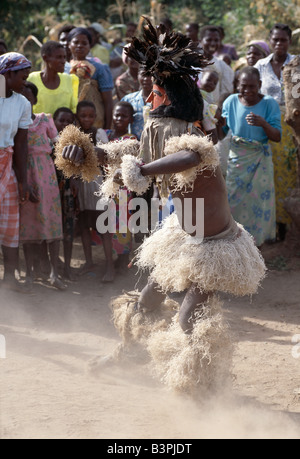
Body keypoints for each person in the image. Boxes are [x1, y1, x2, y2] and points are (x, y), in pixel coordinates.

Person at [60, 19, 266, 392]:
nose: (149, 98)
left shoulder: (191, 136)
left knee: (188, 321)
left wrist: (140, 170)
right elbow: (125, 153)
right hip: (182, 236)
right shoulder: (159, 131)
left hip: (215, 246)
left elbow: (188, 157)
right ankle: (129, 355)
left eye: (154, 92)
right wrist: (85, 150)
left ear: (167, 97)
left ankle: (203, 388)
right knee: (145, 302)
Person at [217, 67, 281, 247]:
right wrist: (218, 125)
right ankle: (234, 242)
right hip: (237, 158)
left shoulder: (269, 103)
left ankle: (256, 244)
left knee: (259, 201)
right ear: (237, 85)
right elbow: (221, 135)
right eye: (243, 86)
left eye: (252, 86)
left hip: (260, 158)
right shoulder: (230, 101)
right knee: (232, 199)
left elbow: (276, 136)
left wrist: (263, 123)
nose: (248, 91)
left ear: (260, 85)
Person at [19, 81, 66, 290]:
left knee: (52, 221)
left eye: (28, 98)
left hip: (47, 177)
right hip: (24, 177)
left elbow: (60, 146)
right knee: (28, 225)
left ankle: (54, 273)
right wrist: (24, 182)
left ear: (34, 100)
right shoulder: (13, 124)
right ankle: (29, 272)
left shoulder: (45, 119)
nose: (24, 101)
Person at [255, 23, 297, 241]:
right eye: (276, 39)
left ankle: (288, 224)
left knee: (290, 172)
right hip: (268, 124)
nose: (279, 43)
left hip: (293, 125)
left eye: (284, 40)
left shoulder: (297, 63)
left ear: (289, 42)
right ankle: (271, 225)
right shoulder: (261, 66)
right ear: (270, 41)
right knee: (268, 174)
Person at [0, 52, 32, 292]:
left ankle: (10, 278)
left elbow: (21, 144)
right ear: (7, 74)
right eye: (22, 75)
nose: (25, 80)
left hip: (6, 165)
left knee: (10, 223)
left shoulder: (22, 103)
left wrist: (23, 180)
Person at [75, 100, 115, 282]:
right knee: (85, 226)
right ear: (78, 116)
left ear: (95, 117)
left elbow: (105, 156)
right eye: (83, 116)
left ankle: (109, 266)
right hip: (81, 188)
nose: (87, 119)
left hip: (98, 186)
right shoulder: (72, 135)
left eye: (91, 116)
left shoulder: (98, 133)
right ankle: (89, 262)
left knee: (104, 228)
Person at [67, 27, 113, 129]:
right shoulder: (64, 68)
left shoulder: (99, 68)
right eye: (76, 42)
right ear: (69, 44)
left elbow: (108, 101)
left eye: (84, 43)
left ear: (89, 46)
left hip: (95, 121)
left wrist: (107, 128)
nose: (80, 46)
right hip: (70, 121)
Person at [53, 107, 78, 280]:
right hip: (51, 190)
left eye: (69, 121)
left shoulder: (75, 143)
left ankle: (67, 267)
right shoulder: (48, 141)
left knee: (69, 229)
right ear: (54, 121)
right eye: (61, 120)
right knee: (52, 230)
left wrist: (75, 180)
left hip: (69, 191)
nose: (65, 124)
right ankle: (53, 267)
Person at [27, 40, 78, 116]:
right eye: (59, 57)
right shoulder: (32, 79)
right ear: (45, 58)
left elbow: (73, 110)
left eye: (64, 57)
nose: (63, 61)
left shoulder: (69, 80)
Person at [198, 25, 234, 106]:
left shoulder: (224, 67)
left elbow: (226, 93)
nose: (213, 43)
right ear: (200, 41)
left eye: (216, 40)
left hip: (212, 113)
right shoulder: (190, 63)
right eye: (209, 40)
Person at [121, 69, 153, 140]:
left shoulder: (162, 100)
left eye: (150, 75)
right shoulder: (128, 99)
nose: (146, 79)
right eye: (143, 75)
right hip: (133, 143)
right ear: (138, 75)